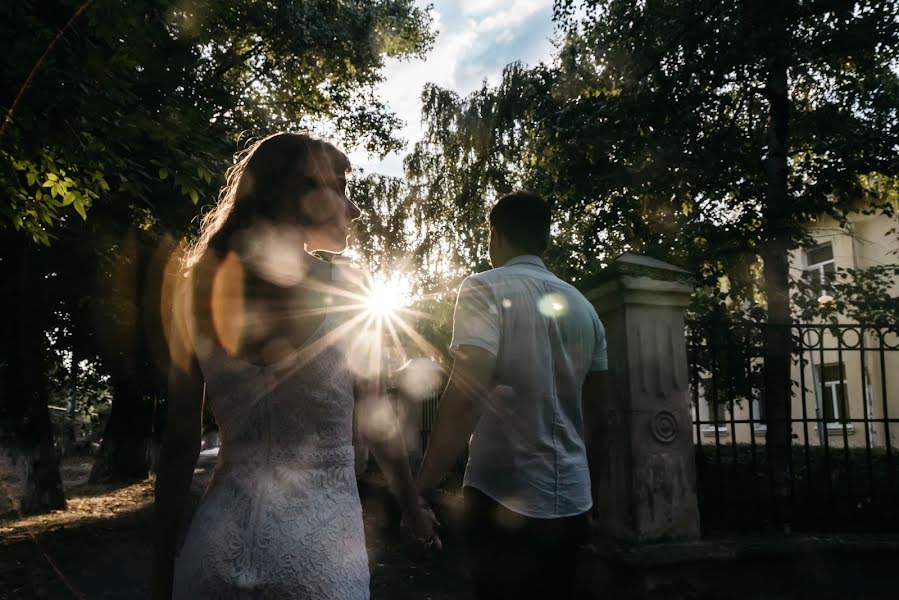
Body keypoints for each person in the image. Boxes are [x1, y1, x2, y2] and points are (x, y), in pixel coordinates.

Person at [153, 132, 439, 599]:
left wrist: (163, 572)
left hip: (213, 558)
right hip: (319, 563)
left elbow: (180, 443)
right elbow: (378, 421)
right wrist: (412, 509)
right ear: (299, 193)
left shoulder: (193, 296)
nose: (355, 210)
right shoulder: (346, 289)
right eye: (342, 190)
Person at [416, 191, 609, 600]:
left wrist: (419, 489)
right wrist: (592, 502)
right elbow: (598, 417)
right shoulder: (585, 309)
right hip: (572, 502)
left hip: (503, 500)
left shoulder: (483, 288)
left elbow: (467, 394)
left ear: (496, 235)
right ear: (547, 240)